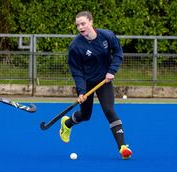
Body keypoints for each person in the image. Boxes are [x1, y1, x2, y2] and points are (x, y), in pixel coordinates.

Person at [59, 11, 132, 160]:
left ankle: (123, 147)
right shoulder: (75, 46)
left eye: (83, 23)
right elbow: (76, 71)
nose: (80, 27)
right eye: (78, 25)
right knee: (86, 115)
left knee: (110, 111)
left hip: (104, 81)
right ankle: (67, 123)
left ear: (91, 22)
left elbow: (118, 52)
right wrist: (81, 91)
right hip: (86, 83)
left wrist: (112, 70)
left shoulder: (107, 36)